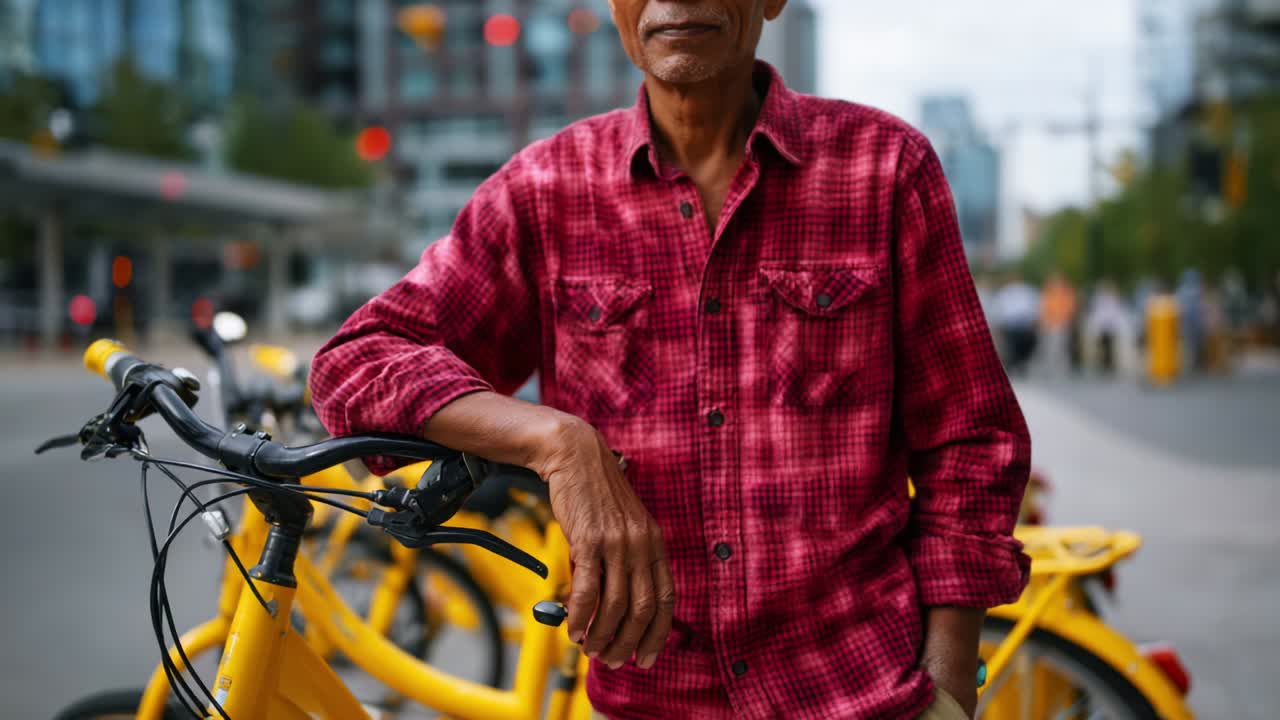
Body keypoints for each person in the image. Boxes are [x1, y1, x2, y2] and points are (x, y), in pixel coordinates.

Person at [309, 2, 1030, 718]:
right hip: (651, 700)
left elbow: (971, 438)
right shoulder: (546, 192)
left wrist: (950, 691)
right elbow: (359, 361)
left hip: (861, 690)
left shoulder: (884, 167)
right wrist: (560, 444)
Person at [992, 273, 1040, 377]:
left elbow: (1035, 306)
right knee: (1011, 348)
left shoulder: (1027, 291)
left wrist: (1034, 321)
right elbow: (999, 309)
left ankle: (1021, 365)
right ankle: (1012, 366)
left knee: (1024, 347)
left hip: (1024, 324)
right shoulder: (1004, 292)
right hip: (1010, 324)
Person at [1038, 272, 1077, 378]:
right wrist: (1044, 323)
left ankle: (1062, 368)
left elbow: (1070, 310)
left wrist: (1063, 322)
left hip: (1061, 324)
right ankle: (1050, 367)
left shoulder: (1068, 294)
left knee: (1060, 346)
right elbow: (1042, 310)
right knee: (1048, 347)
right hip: (1048, 325)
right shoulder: (1047, 294)